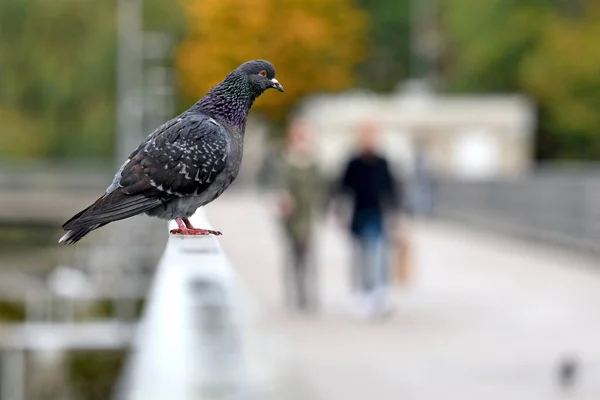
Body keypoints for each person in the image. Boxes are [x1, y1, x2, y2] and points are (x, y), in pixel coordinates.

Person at [335, 121, 401, 318]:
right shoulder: (353, 162)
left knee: (379, 256)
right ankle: (362, 294)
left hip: (378, 214)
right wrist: (340, 211)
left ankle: (377, 294)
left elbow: (391, 189)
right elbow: (342, 188)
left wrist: (395, 213)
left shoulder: (382, 162)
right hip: (359, 214)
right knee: (361, 256)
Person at [276, 120, 322, 313]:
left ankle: (307, 293)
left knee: (307, 252)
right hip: (291, 214)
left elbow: (319, 186)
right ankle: (294, 292)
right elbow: (280, 185)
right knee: (293, 253)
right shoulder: (287, 159)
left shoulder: (311, 160)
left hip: (307, 213)